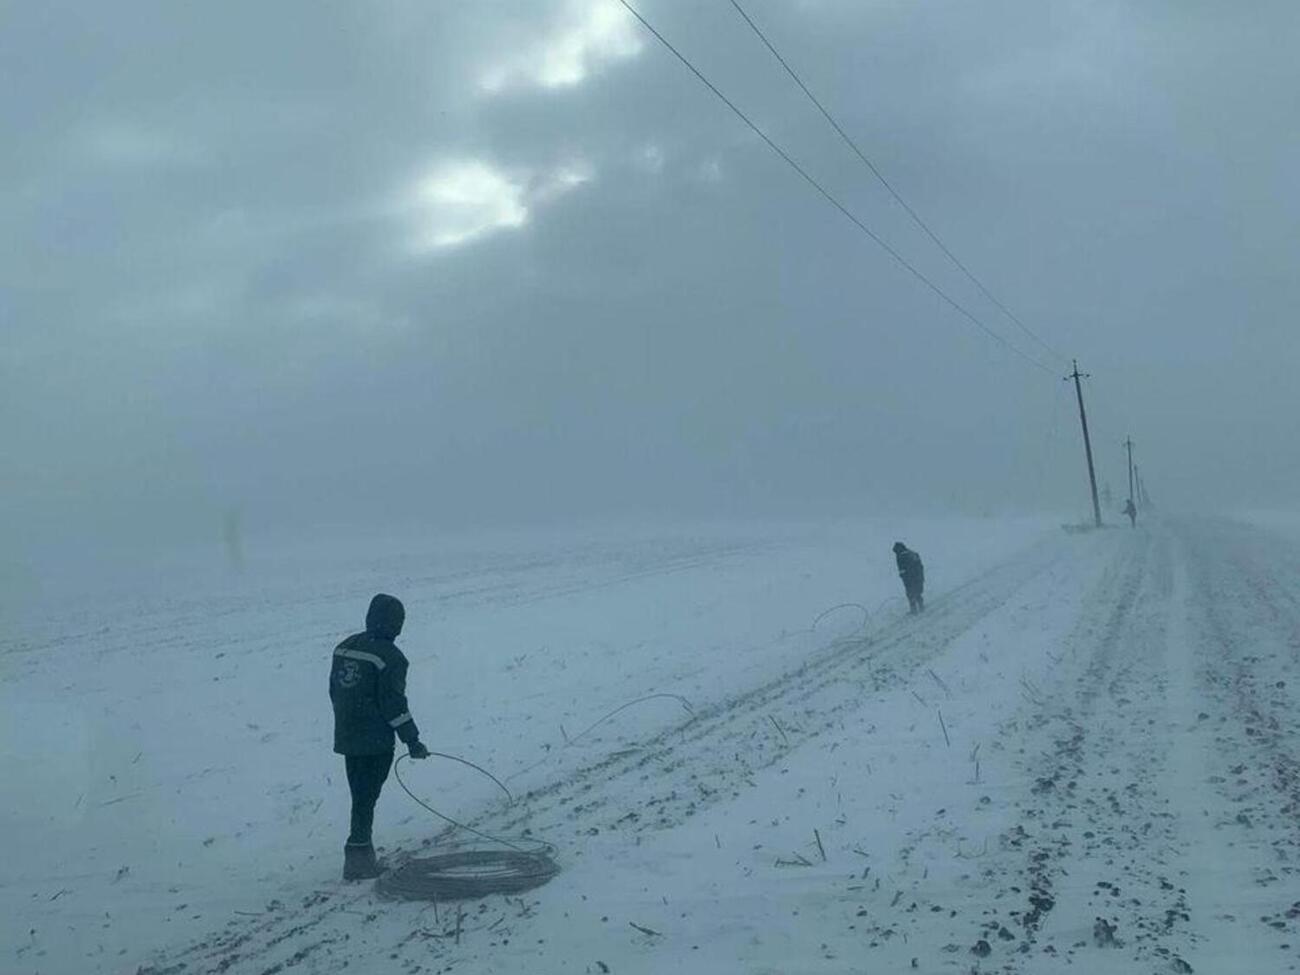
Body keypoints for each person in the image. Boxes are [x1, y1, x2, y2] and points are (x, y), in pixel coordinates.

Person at [329, 593, 430, 881]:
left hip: (347, 734)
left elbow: (334, 690)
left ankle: (359, 852)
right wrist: (413, 741)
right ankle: (358, 859)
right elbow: (393, 705)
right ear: (394, 623)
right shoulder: (392, 658)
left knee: (359, 794)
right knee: (366, 797)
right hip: (374, 741)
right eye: (399, 622)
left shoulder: (345, 647)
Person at [893, 542, 925, 614]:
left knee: (910, 593)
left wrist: (903, 574)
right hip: (917, 576)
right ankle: (921, 607)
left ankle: (914, 610)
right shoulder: (911, 553)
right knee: (916, 592)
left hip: (910, 578)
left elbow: (904, 569)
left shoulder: (902, 556)